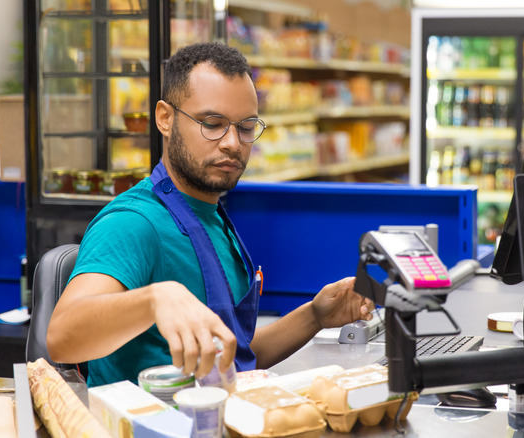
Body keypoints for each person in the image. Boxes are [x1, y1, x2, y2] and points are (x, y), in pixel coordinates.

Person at [46, 42, 374, 387]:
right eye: (213, 123)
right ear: (165, 119)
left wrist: (314, 316)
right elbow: (62, 336)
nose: (233, 142)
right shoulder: (135, 224)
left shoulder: (211, 216)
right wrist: (154, 299)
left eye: (246, 127)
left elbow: (233, 356)